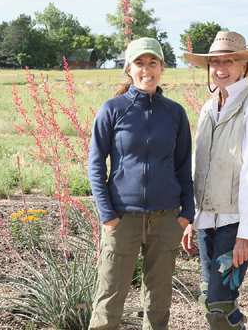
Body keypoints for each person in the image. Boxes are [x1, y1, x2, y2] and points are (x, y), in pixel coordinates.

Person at [87, 37, 195, 330]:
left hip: (166, 218)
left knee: (159, 303)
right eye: (139, 63)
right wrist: (108, 216)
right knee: (109, 300)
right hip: (123, 219)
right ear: (129, 69)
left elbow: (184, 167)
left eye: (153, 63)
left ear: (162, 67)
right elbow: (95, 166)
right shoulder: (112, 110)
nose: (146, 70)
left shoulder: (175, 113)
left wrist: (186, 215)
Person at [181, 31, 248, 330]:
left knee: (220, 308)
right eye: (214, 62)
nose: (220, 68)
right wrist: (193, 217)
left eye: (229, 61)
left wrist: (247, 233)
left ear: (243, 65)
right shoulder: (208, 108)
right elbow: (199, 165)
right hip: (207, 220)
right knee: (211, 301)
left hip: (234, 222)